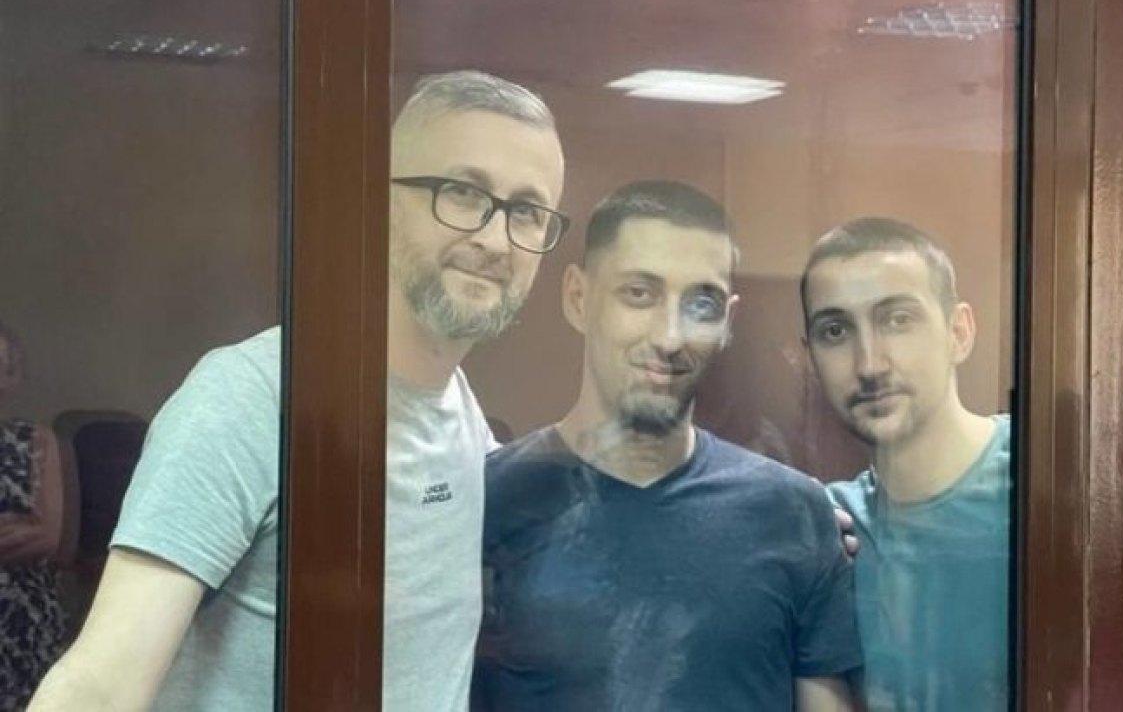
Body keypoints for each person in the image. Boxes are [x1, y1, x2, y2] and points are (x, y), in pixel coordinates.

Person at [29, 70, 569, 712]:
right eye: (462, 192)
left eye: (527, 211)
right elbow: (99, 687)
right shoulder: (253, 398)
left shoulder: (460, 413)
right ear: (380, 201)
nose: (493, 238)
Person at [802, 216, 1123, 711]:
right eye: (835, 331)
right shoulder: (826, 525)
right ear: (810, 356)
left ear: (959, 332)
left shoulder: (1072, 482)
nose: (869, 362)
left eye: (898, 319)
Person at [473, 181, 862, 712]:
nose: (670, 337)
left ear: (727, 321)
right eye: (639, 293)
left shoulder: (793, 514)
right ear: (578, 298)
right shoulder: (487, 503)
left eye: (702, 303)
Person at [0, 321, 69, 710]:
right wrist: (17, 527)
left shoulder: (37, 440)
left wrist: (31, 533)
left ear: (12, 378)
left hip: (25, 614)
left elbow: (47, 536)